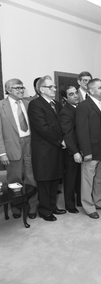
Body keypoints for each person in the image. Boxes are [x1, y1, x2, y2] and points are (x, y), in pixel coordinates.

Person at [28, 76, 66, 221]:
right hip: (44, 149)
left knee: (55, 178)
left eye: (54, 87)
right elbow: (43, 128)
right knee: (44, 180)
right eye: (51, 87)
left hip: (56, 148)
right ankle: (44, 210)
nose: (54, 89)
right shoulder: (35, 104)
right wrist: (60, 140)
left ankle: (52, 206)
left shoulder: (56, 104)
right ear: (42, 89)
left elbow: (61, 124)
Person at [0, 79, 38, 219]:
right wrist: (2, 152)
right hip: (11, 147)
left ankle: (32, 207)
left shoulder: (28, 104)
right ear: (8, 89)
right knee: (14, 179)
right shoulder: (1, 106)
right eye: (17, 88)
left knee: (31, 177)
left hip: (29, 144)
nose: (21, 90)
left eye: (22, 87)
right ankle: (16, 208)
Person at [76, 78, 101, 219]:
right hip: (91, 150)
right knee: (88, 180)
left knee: (100, 179)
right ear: (91, 90)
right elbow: (82, 131)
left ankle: (99, 201)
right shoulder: (83, 106)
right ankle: (88, 206)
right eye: (100, 88)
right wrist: (86, 152)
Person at [59, 85, 82, 213]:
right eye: (71, 94)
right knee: (70, 178)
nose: (75, 96)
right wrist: (75, 152)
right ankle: (69, 204)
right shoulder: (65, 112)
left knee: (79, 177)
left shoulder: (80, 108)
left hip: (81, 148)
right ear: (65, 98)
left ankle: (79, 200)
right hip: (72, 151)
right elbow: (68, 134)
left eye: (76, 92)